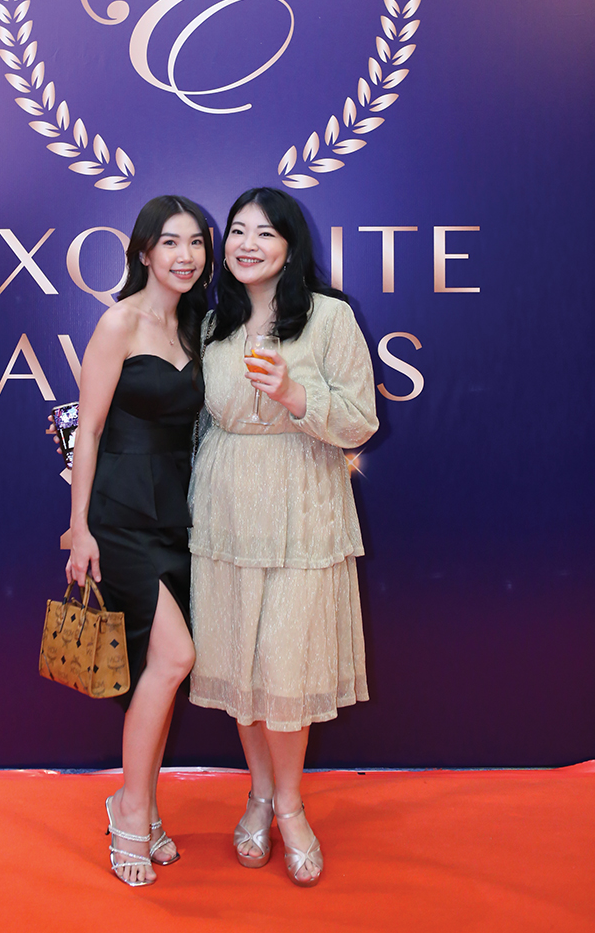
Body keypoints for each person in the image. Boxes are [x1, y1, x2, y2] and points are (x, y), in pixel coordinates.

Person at [189, 187, 378, 887]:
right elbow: (192, 418)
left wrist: (298, 396)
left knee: (285, 663)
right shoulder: (213, 323)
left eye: (264, 233)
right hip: (227, 508)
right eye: (237, 231)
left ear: (291, 246)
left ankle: (291, 807)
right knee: (242, 660)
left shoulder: (330, 317)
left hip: (304, 505)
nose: (247, 245)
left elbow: (361, 422)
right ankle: (259, 796)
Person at [59, 195, 212, 887]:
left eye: (197, 243)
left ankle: (141, 807)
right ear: (144, 252)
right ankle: (129, 810)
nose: (186, 256)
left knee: (159, 669)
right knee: (174, 656)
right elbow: (87, 431)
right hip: (120, 511)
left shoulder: (200, 327)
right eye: (171, 242)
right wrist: (80, 528)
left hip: (179, 513)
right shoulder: (118, 322)